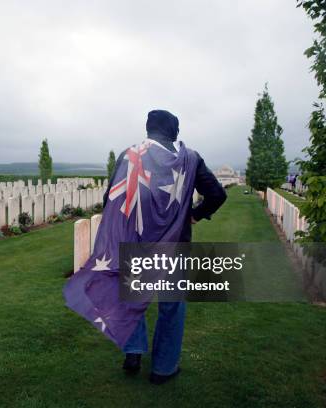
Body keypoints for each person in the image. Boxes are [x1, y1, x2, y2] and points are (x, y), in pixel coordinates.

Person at [63, 109, 226, 385]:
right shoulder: (190, 159)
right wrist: (195, 214)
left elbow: (110, 196)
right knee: (171, 307)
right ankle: (163, 368)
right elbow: (217, 194)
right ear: (174, 131)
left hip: (136, 241)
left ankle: (134, 351)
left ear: (148, 129)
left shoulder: (130, 155)